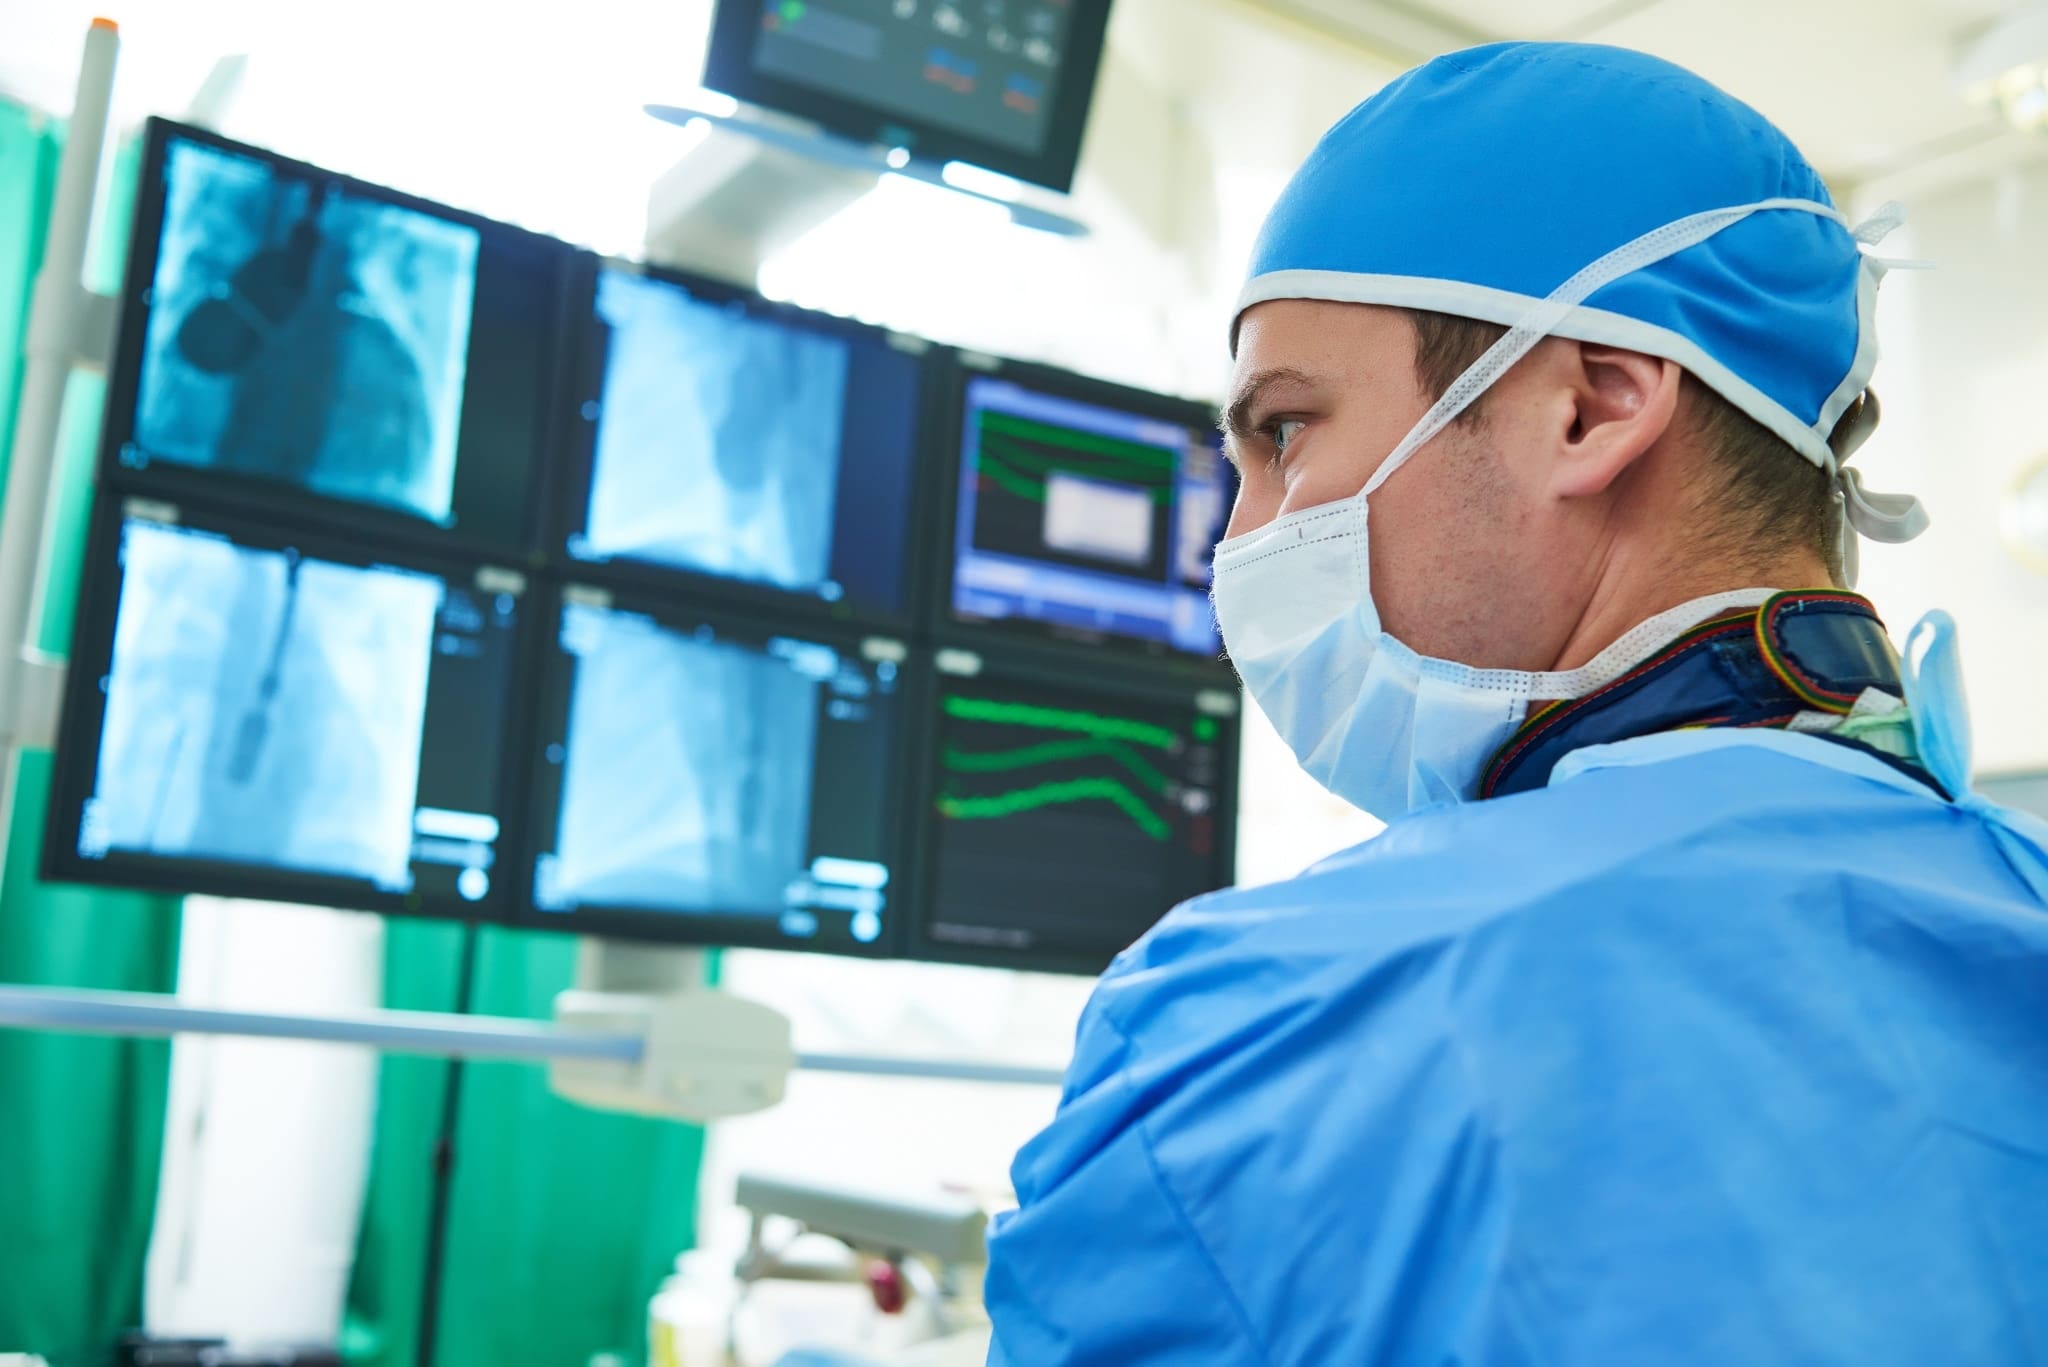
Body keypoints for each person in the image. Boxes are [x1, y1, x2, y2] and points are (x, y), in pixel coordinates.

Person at [983, 42, 2048, 1365]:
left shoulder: (1262, 1025)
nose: (1244, 532)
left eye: (1284, 432)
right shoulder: (2015, 911)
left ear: (1591, 410)